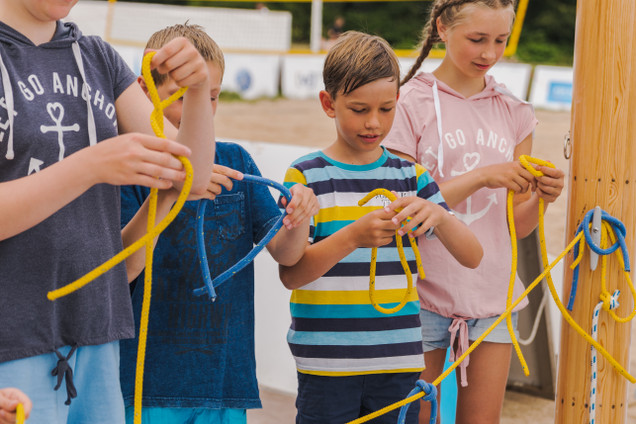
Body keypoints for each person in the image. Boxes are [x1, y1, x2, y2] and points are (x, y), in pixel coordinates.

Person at [0, 0, 215, 422]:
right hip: (12, 338)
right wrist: (90, 166)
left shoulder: (97, 56)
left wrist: (197, 89)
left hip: (97, 328)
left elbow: (191, 175)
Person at [278, 31, 483, 424]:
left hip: (399, 362)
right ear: (328, 103)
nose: (374, 123)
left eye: (386, 109)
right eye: (359, 109)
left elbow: (472, 256)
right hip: (326, 365)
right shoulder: (305, 177)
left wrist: (438, 215)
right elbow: (292, 272)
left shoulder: (413, 177)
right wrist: (353, 235)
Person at [119, 23, 319, 424]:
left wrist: (299, 217)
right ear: (143, 91)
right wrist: (175, 184)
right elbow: (119, 270)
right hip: (144, 385)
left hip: (226, 380)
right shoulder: (128, 167)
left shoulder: (237, 161)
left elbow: (287, 255)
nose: (200, 110)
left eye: (210, 97)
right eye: (184, 97)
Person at [382, 1, 565, 423]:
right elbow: (402, 210)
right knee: (413, 419)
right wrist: (482, 177)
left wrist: (543, 198)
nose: (489, 53)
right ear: (443, 29)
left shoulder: (516, 113)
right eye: (477, 39)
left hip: (492, 298)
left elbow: (515, 227)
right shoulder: (407, 103)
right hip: (419, 294)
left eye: (500, 40)